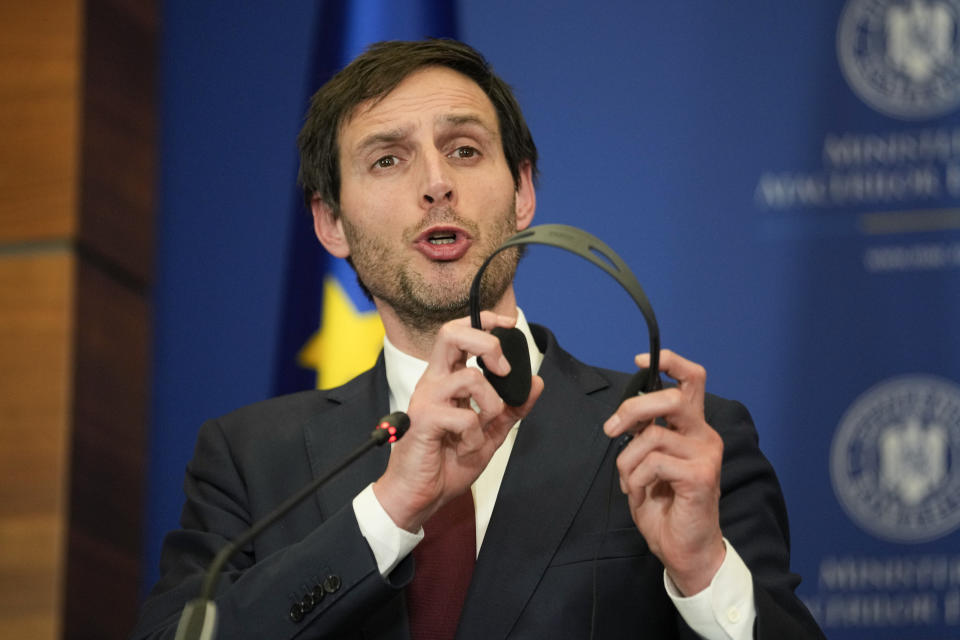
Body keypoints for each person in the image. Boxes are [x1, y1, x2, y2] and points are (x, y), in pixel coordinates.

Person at [132, 39, 824, 639]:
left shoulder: (666, 442)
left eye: (465, 150)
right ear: (329, 222)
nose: (437, 184)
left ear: (522, 192)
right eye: (387, 160)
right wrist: (387, 511)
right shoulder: (251, 460)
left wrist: (704, 572)